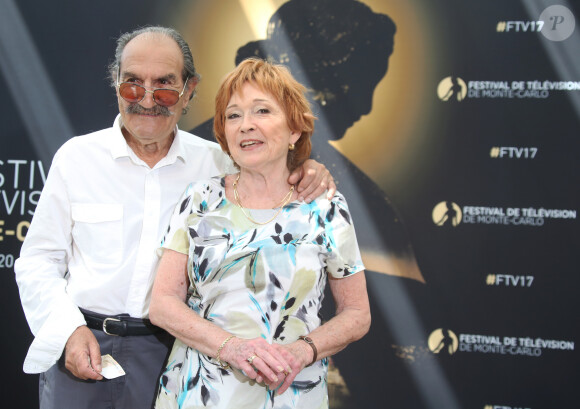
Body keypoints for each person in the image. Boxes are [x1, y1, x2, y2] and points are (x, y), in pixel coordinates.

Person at [14, 26, 335, 409]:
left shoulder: (219, 165)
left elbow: (276, 173)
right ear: (115, 84)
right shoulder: (76, 158)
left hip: (177, 355)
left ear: (189, 91)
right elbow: (38, 261)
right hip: (83, 347)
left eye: (164, 86)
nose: (147, 100)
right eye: (132, 84)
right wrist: (67, 331)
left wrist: (308, 168)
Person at [150, 58, 370, 409]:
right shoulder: (199, 199)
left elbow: (357, 313)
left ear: (295, 130)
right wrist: (233, 348)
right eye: (233, 116)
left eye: (262, 111)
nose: (245, 126)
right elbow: (162, 304)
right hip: (198, 393)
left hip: (291, 393)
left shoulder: (325, 206)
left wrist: (301, 352)